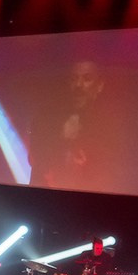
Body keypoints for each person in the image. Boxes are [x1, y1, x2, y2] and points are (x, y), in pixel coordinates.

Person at [29, 59, 114, 190]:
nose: (78, 85)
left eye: (87, 79)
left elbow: (111, 173)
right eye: (74, 79)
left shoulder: (108, 126)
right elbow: (35, 160)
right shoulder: (46, 117)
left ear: (100, 85)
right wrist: (61, 138)